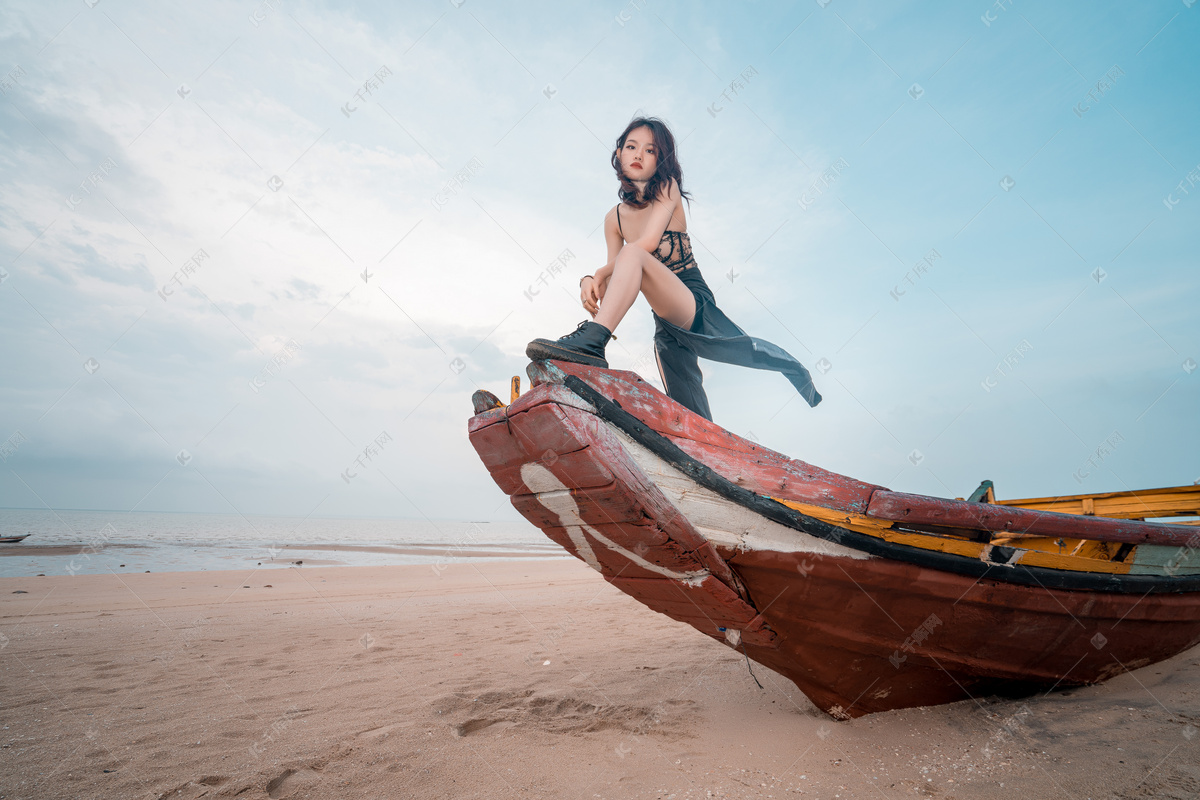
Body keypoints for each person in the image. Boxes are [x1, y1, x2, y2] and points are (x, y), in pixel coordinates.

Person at [526, 116, 821, 422]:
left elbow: (648, 243)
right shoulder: (613, 219)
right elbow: (616, 278)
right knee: (690, 409)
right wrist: (591, 279)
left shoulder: (667, 188)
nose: (639, 155)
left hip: (692, 302)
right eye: (631, 146)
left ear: (661, 160)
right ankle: (705, 451)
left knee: (633, 253)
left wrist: (599, 273)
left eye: (650, 150)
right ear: (618, 153)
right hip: (664, 321)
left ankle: (593, 343)